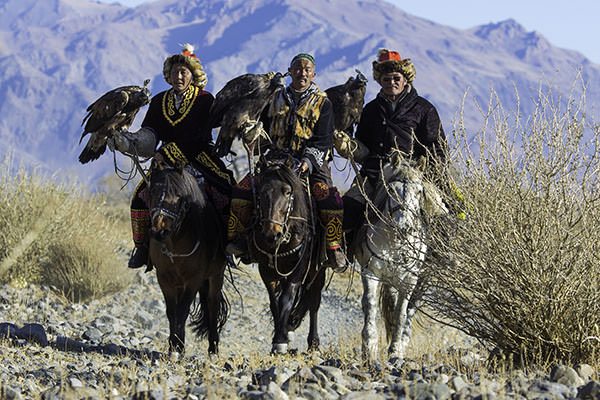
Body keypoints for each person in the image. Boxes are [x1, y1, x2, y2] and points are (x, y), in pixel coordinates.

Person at [111, 44, 233, 269]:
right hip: (165, 164)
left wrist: (166, 152)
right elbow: (150, 133)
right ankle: (143, 249)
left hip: (200, 158)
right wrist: (128, 142)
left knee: (226, 192)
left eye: (184, 72)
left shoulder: (205, 99)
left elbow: (198, 137)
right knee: (140, 198)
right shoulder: (158, 101)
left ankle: (228, 246)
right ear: (168, 74)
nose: (179, 76)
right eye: (175, 71)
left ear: (193, 75)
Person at [226, 53, 347, 272]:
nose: (302, 72)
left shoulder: (323, 103)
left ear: (313, 74)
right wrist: (253, 134)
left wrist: (307, 162)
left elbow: (323, 140)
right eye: (297, 68)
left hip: (311, 163)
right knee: (242, 190)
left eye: (307, 69)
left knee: (331, 200)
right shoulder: (274, 97)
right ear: (289, 72)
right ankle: (239, 240)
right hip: (276, 160)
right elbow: (263, 127)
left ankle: (333, 247)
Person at [343, 48, 448, 236]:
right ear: (379, 81)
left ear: (405, 79)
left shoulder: (425, 109)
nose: (391, 83)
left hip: (415, 173)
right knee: (349, 208)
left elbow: (437, 146)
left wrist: (431, 168)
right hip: (376, 174)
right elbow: (363, 145)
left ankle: (441, 260)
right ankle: (344, 254)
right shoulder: (371, 110)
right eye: (386, 79)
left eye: (396, 78)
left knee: (442, 215)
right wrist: (349, 146)